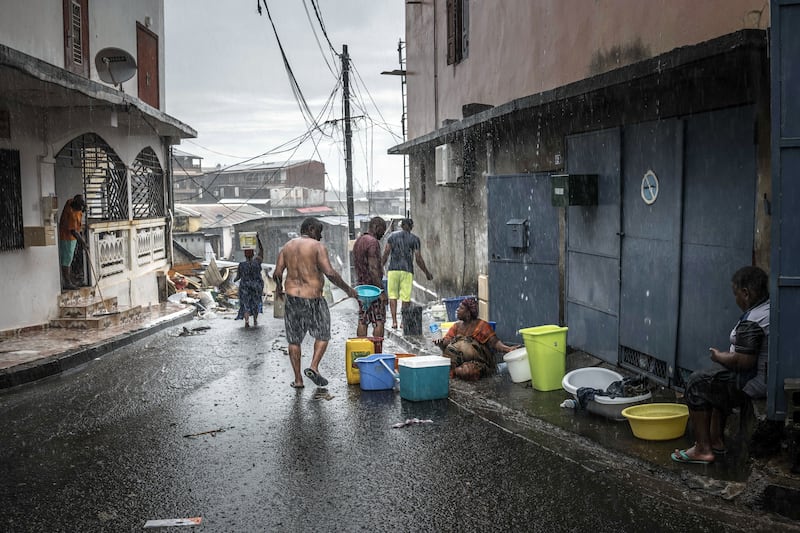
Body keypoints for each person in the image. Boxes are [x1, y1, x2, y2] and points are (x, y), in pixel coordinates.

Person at [671, 266, 770, 465]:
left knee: (698, 383)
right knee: (714, 378)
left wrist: (719, 357)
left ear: (745, 293)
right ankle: (715, 440)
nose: (736, 300)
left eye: (736, 294)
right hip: (757, 377)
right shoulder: (765, 309)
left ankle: (702, 449)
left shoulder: (756, 318)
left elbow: (744, 361)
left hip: (753, 382)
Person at [273, 218, 358, 389]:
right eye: (319, 231)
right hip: (313, 299)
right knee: (323, 334)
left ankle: (298, 380)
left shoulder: (287, 247)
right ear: (311, 229)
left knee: (294, 340)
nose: (320, 236)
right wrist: (348, 290)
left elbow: (277, 272)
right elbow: (329, 272)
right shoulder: (317, 247)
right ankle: (313, 367)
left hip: (292, 298)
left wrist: (279, 288)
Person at [433, 297, 520, 381]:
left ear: (468, 313)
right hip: (459, 361)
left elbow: (495, 343)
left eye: (461, 308)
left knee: (468, 372)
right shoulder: (456, 326)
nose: (457, 310)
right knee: (447, 362)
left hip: (478, 362)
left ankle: (456, 372)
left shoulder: (482, 326)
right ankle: (453, 372)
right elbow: (447, 344)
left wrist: (507, 349)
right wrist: (440, 343)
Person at [381, 218, 433, 330]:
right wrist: (427, 273)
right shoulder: (415, 239)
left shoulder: (392, 237)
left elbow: (386, 253)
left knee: (393, 296)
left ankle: (394, 322)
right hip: (407, 270)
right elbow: (418, 258)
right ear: (411, 227)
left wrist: (380, 267)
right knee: (405, 298)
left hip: (393, 270)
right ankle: (403, 323)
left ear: (401, 225)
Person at [353, 216, 388, 338]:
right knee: (378, 320)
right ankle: (377, 351)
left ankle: (362, 349)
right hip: (373, 290)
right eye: (382, 230)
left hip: (361, 289)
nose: (383, 234)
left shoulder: (359, 241)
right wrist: (382, 291)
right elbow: (373, 269)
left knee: (363, 319)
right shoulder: (373, 242)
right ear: (376, 227)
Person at [234, 233, 265, 328]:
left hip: (245, 288)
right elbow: (262, 251)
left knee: (246, 304)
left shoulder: (242, 265)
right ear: (253, 254)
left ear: (245, 255)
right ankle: (255, 320)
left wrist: (235, 279)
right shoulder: (257, 262)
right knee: (255, 303)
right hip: (256, 287)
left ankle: (247, 321)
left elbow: (238, 277)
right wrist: (258, 239)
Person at [58, 194, 87, 290]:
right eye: (79, 208)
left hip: (73, 236)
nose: (80, 210)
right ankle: (67, 282)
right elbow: (73, 231)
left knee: (72, 259)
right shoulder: (72, 215)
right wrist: (83, 242)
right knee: (67, 260)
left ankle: (73, 278)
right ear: (75, 206)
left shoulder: (70, 202)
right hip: (67, 237)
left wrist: (83, 207)